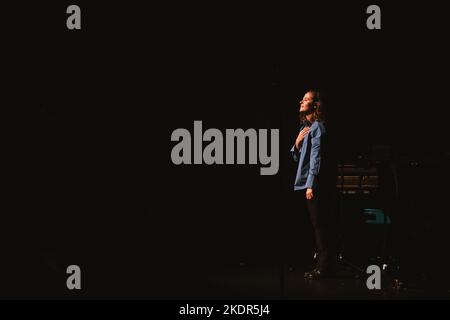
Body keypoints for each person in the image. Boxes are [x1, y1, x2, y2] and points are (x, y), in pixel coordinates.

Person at [290, 89, 338, 279]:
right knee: (317, 223)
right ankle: (324, 264)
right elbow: (298, 158)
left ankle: (324, 266)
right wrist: (297, 143)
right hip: (310, 182)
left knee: (320, 224)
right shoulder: (306, 128)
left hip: (317, 184)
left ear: (315, 104)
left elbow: (316, 158)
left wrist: (311, 184)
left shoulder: (318, 127)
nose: (301, 101)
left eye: (306, 99)